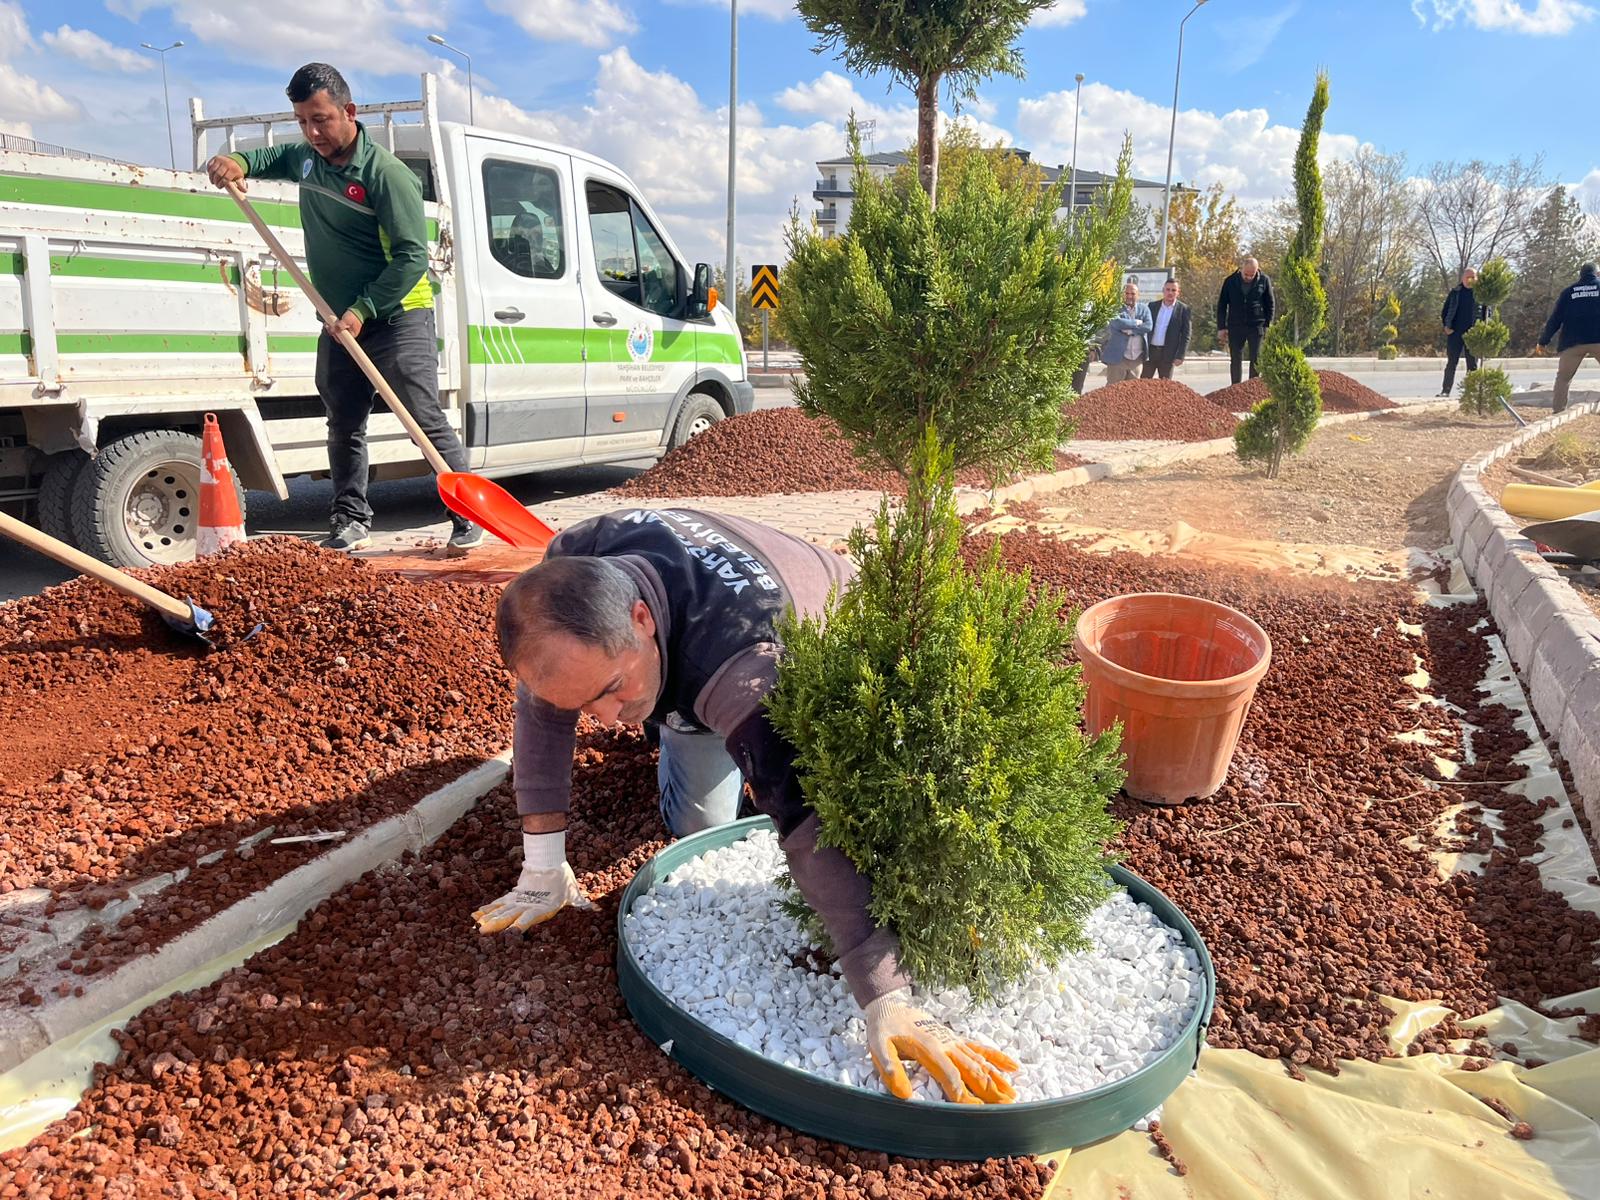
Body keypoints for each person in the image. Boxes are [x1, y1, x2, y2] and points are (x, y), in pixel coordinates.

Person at [475, 507, 1019, 1107]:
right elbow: (543, 707)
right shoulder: (569, 575)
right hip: (688, 641)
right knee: (687, 795)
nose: (602, 722)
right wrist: (543, 865)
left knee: (710, 811)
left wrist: (885, 994)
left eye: (607, 692)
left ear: (640, 618)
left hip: (817, 631)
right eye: (588, 704)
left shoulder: (743, 671)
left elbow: (804, 819)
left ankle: (702, 725)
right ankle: (675, 714)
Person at [205, 63, 481, 554]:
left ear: (349, 112)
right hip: (337, 322)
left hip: (396, 317)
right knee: (345, 423)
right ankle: (351, 518)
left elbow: (413, 257)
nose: (312, 132)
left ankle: (469, 515)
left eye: (322, 119)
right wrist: (238, 163)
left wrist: (363, 308)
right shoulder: (308, 159)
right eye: (303, 121)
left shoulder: (386, 175)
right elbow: (271, 156)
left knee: (422, 417)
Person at [1536, 262, 1600, 414]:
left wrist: (1543, 341)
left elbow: (1555, 319)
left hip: (1573, 343)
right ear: (1597, 274)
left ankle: (1558, 412)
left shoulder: (1568, 292)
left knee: (1563, 379)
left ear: (1581, 275)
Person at [1216, 256, 1274, 384]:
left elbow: (1270, 303)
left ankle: (1252, 386)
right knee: (1236, 358)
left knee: (1256, 358)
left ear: (1257, 270)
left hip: (1256, 325)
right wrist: (1221, 327)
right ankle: (1235, 387)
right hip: (1235, 325)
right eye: (1246, 274)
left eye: (1252, 274)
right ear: (1241, 269)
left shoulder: (1264, 280)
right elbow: (1222, 305)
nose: (1248, 277)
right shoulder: (1230, 281)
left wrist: (1268, 324)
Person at [1438, 267, 1485, 397]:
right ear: (1463, 278)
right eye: (1467, 277)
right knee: (1451, 362)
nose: (1470, 279)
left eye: (1473, 277)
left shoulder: (1480, 295)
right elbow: (1445, 311)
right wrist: (1446, 326)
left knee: (1472, 365)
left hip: (1473, 334)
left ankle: (1471, 393)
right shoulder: (1455, 292)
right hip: (1455, 333)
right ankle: (1445, 391)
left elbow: (1488, 314)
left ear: (1476, 278)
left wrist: (1483, 330)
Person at [1100, 280, 1153, 385]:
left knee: (1132, 393)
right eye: (1126, 293)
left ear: (1138, 295)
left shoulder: (1144, 309)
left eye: (1133, 293)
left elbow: (1148, 326)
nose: (1129, 296)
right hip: (1118, 358)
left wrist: (1131, 331)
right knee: (1113, 391)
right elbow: (1117, 323)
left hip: (1136, 359)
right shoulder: (1115, 307)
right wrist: (1136, 322)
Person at [1141, 279, 1191, 380]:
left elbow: (1186, 335)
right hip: (1150, 352)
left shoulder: (1184, 309)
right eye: (1168, 289)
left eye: (1173, 290)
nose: (1170, 293)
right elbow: (1145, 328)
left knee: (1165, 386)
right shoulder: (1152, 306)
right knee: (1143, 384)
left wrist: (1180, 355)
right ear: (1163, 290)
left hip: (1168, 354)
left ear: (1178, 292)